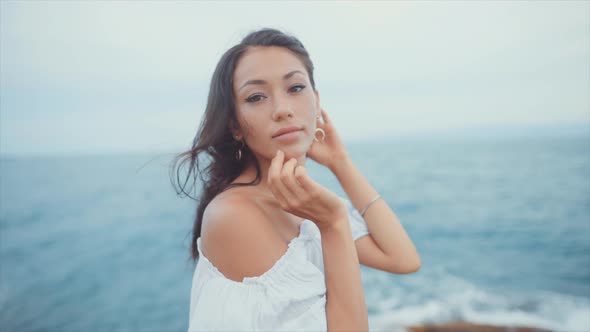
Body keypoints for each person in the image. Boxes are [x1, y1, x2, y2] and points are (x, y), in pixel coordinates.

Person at [171, 27, 421, 332]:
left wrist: (340, 163)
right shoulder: (234, 215)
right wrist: (334, 224)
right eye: (257, 96)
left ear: (317, 102)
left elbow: (403, 258)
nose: (283, 110)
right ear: (235, 124)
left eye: (296, 88)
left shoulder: (300, 199)